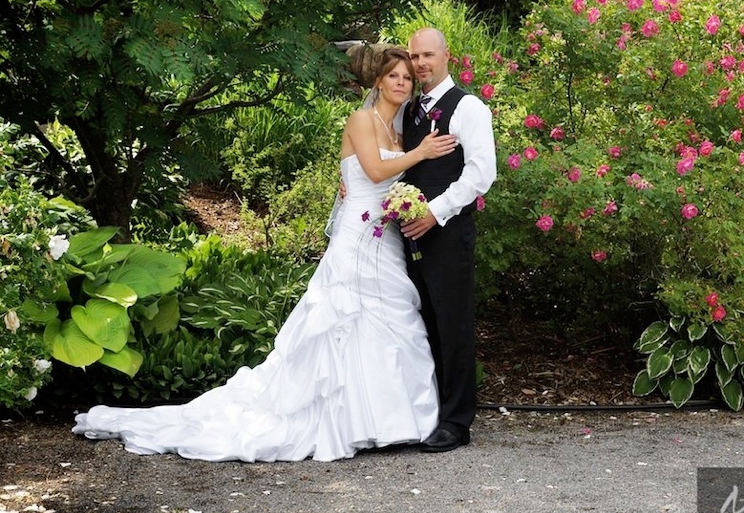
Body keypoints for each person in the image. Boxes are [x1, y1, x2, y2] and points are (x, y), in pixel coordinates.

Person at [72, 48, 459, 462]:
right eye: (394, 75)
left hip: (385, 238)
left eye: (407, 78)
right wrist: (421, 153)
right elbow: (376, 170)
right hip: (355, 238)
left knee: (391, 322)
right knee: (342, 321)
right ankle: (348, 422)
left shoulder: (400, 132)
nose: (401, 83)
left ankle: (390, 421)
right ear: (378, 81)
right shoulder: (362, 119)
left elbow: (385, 177)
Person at [399, 27, 497, 453]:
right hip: (407, 233)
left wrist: (434, 213)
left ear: (446, 55)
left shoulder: (468, 107)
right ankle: (429, 412)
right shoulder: (408, 109)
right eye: (414, 56)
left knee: (453, 325)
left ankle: (457, 422)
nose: (420, 63)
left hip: (448, 231)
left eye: (428, 55)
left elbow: (480, 173)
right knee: (422, 325)